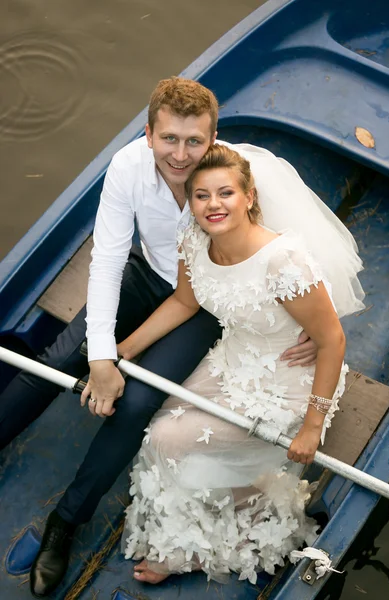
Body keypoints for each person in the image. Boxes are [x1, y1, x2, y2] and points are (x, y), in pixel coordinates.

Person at [0, 78, 318, 598]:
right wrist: (102, 357)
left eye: (195, 141)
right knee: (61, 358)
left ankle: (66, 520)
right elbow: (105, 262)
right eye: (169, 139)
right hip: (144, 274)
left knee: (139, 401)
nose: (181, 154)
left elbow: (286, 250)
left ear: (214, 137)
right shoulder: (127, 167)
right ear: (148, 134)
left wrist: (305, 316)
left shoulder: (231, 178)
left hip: (204, 304)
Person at [120, 143, 365, 585]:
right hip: (233, 360)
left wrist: (312, 425)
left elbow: (332, 341)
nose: (213, 205)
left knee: (168, 438)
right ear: (191, 201)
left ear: (249, 197)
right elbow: (183, 301)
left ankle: (204, 541)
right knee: (159, 417)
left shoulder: (282, 263)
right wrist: (125, 349)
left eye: (225, 193)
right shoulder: (194, 239)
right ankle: (230, 487)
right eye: (201, 195)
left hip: (290, 383)